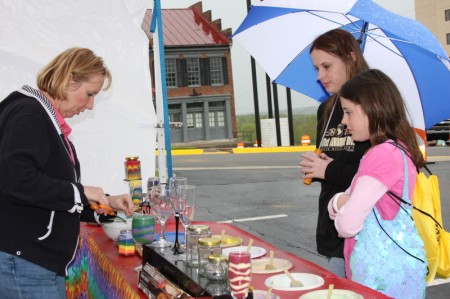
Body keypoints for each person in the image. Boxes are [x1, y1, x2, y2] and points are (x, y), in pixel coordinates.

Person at [0, 47, 134, 299]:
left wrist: (104, 203)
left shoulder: (40, 115)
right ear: (70, 81)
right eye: (90, 94)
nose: (91, 105)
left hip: (32, 260)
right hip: (25, 262)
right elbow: (17, 181)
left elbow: (51, 193)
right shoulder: (29, 113)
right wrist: (80, 192)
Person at [328, 69, 427, 298]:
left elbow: (347, 225)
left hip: (380, 278)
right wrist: (341, 202)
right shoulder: (398, 148)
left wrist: (337, 202)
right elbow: (349, 202)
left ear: (372, 108)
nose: (344, 121)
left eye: (348, 112)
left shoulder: (381, 155)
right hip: (398, 274)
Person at [298, 29, 371, 277]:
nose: (320, 76)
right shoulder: (327, 109)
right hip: (332, 228)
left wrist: (328, 169)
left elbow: (379, 179)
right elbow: (335, 162)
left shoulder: (373, 108)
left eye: (326, 66)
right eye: (316, 68)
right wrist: (317, 168)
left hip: (364, 234)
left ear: (350, 58)